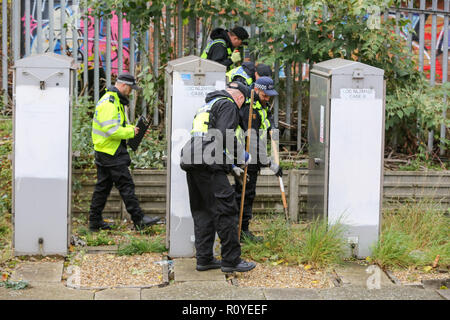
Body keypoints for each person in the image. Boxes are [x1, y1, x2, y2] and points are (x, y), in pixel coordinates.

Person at [180, 81, 256, 273]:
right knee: (226, 209)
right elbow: (225, 135)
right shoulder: (228, 104)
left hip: (192, 158)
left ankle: (204, 258)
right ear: (240, 98)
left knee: (203, 210)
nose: (241, 108)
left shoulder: (207, 105)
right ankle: (231, 260)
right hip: (209, 162)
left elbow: (208, 136)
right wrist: (241, 156)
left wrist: (229, 163)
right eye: (243, 104)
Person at [89, 73, 160, 232]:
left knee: (103, 188)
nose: (131, 92)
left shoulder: (115, 101)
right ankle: (139, 219)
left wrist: (134, 130)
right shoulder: (110, 103)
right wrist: (131, 133)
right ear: (124, 86)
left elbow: (118, 126)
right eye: (130, 89)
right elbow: (111, 130)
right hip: (111, 151)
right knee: (126, 185)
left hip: (107, 150)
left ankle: (94, 222)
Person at [234, 76, 282, 242]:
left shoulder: (262, 106)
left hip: (255, 158)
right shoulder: (249, 110)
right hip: (247, 158)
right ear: (256, 90)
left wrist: (272, 125)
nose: (268, 98)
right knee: (244, 194)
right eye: (265, 94)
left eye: (270, 95)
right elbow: (252, 140)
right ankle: (240, 231)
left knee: (248, 193)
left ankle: (240, 229)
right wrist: (269, 163)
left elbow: (266, 124)